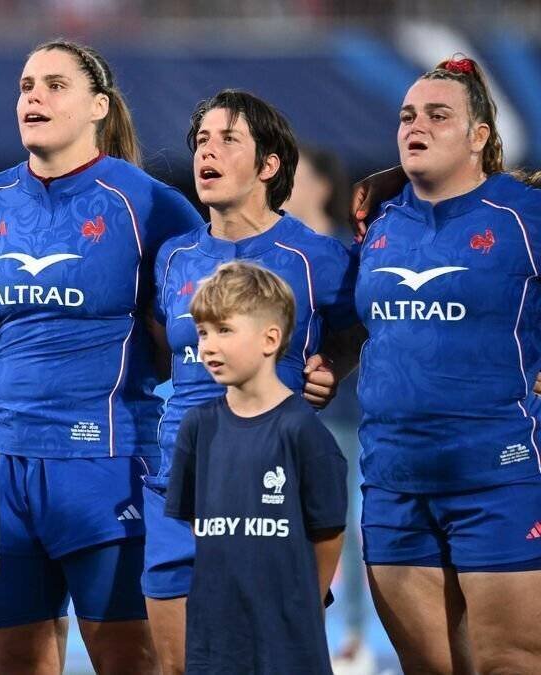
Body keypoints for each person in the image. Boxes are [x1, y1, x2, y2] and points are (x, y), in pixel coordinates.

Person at [0, 39, 205, 674]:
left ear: (98, 105)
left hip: (104, 465)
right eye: (26, 84)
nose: (33, 96)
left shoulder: (151, 205)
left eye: (54, 85)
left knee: (129, 663)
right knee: (12, 663)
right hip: (0, 464)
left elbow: (196, 328)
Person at [143, 91, 362, 674]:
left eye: (227, 140)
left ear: (268, 165)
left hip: (269, 494)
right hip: (175, 487)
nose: (206, 154)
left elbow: (359, 328)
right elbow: (162, 340)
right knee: (176, 667)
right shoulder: (171, 257)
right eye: (200, 142)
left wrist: (331, 368)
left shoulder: (318, 258)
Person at [352, 56, 541, 674]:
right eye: (407, 116)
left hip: (499, 477)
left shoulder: (523, 216)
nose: (417, 126)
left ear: (479, 137)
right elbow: (358, 321)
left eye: (438, 116)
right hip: (392, 481)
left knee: (509, 663)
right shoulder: (378, 219)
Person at [166, 260, 347, 674]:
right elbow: (201, 526)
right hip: (213, 644)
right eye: (203, 332)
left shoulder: (302, 430)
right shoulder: (197, 427)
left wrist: (301, 606)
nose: (207, 346)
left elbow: (328, 532)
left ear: (270, 338)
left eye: (224, 330)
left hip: (287, 646)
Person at [283, 145, 376, 674]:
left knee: (339, 526)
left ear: (320, 186)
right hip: (279, 421)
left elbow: (367, 329)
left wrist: (334, 372)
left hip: (339, 417)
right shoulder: (268, 252)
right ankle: (299, 636)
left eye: (295, 177)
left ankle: (355, 639)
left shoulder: (345, 255)